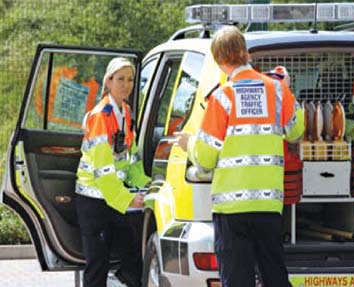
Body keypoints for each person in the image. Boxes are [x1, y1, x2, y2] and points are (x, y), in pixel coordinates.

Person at [175, 26, 304, 287]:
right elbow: (296, 131)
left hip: (231, 210)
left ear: (219, 59)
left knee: (237, 280)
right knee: (275, 277)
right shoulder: (276, 90)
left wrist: (189, 144)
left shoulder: (222, 97)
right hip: (268, 206)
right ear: (245, 53)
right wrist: (288, 90)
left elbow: (207, 157)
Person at [75, 57, 151, 287]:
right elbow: (104, 170)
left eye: (130, 79)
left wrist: (146, 185)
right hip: (94, 200)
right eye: (120, 79)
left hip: (112, 198)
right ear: (108, 81)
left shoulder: (126, 112)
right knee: (97, 265)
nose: (126, 84)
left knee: (131, 255)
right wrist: (128, 200)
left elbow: (132, 159)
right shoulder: (100, 116)